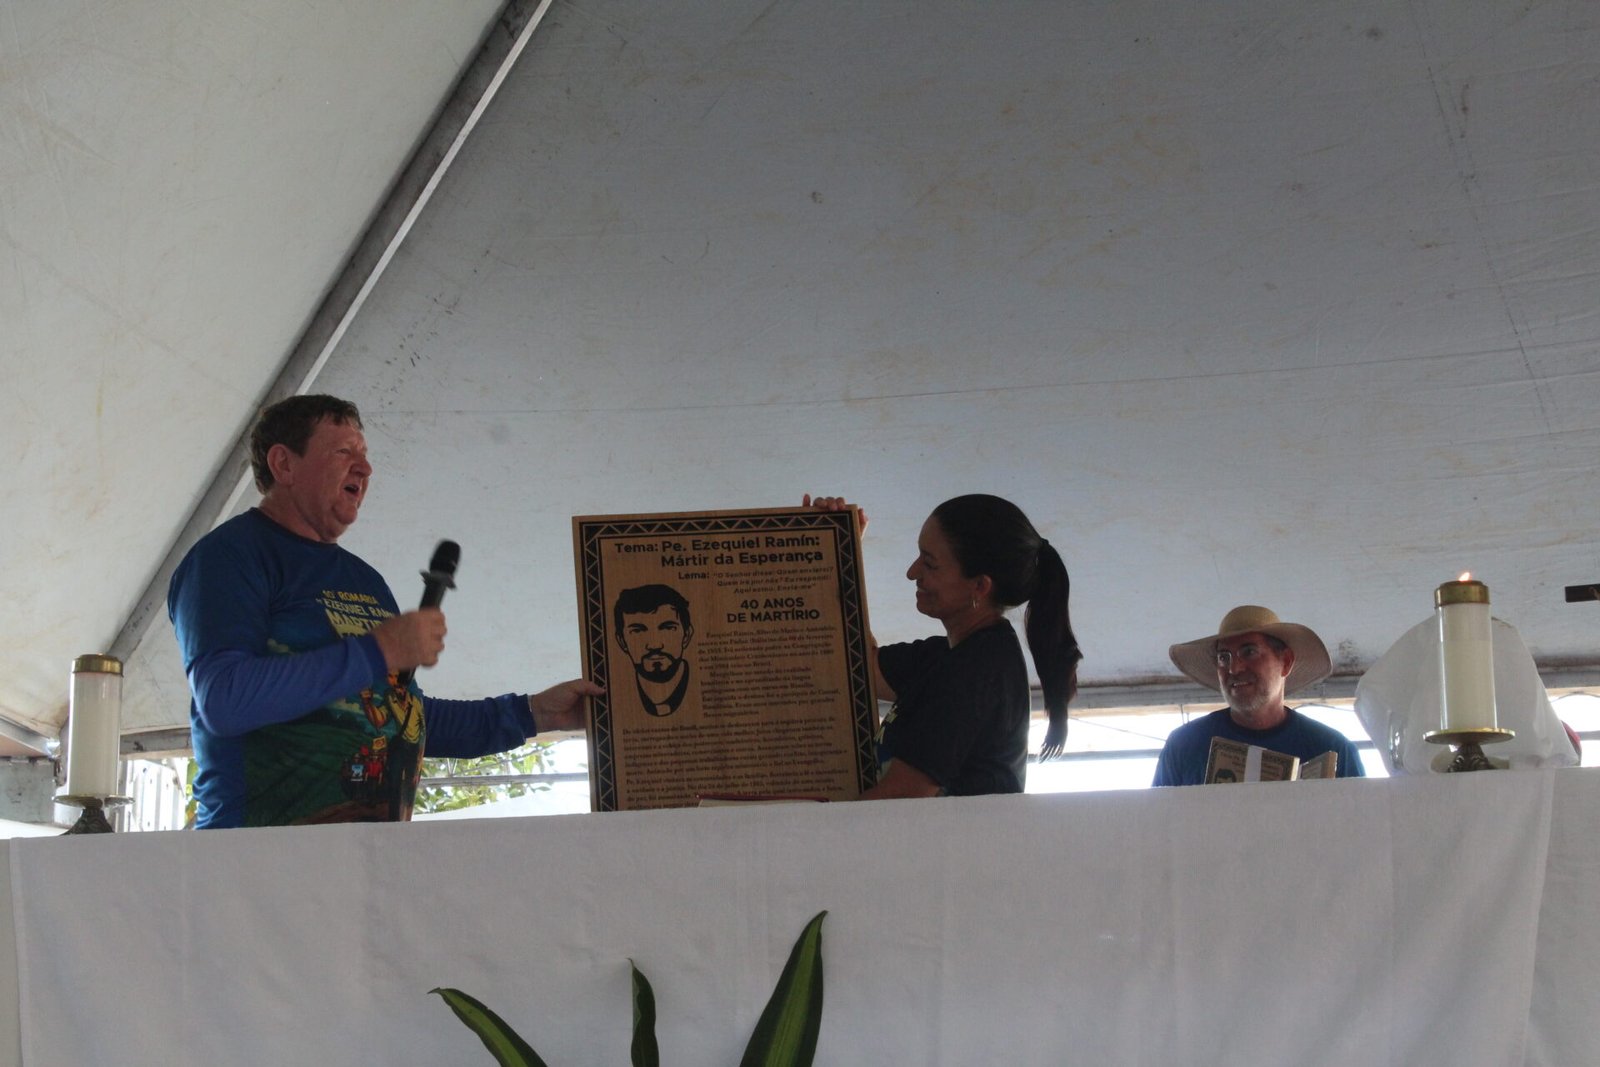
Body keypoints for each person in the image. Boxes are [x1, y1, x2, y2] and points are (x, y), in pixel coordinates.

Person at [168, 394, 602, 828]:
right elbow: (223, 700)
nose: (365, 468)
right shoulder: (229, 557)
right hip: (252, 857)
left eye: (365, 454)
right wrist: (379, 650)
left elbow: (403, 715)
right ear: (284, 465)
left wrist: (535, 714)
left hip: (367, 858)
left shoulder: (365, 581)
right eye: (344, 452)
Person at [806, 493, 1081, 798]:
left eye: (930, 564)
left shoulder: (976, 672)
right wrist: (835, 555)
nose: (912, 572)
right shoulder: (947, 656)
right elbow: (854, 666)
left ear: (979, 586)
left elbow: (901, 798)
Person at [1153, 605, 1365, 786]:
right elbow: (1157, 819)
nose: (1234, 668)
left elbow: (1362, 820)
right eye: (1223, 657)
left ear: (1286, 662)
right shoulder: (1184, 745)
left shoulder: (1333, 750)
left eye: (1249, 652)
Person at [613, 584, 694, 717]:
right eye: (638, 631)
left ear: (686, 635)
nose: (654, 645)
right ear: (622, 641)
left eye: (668, 628)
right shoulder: (616, 695)